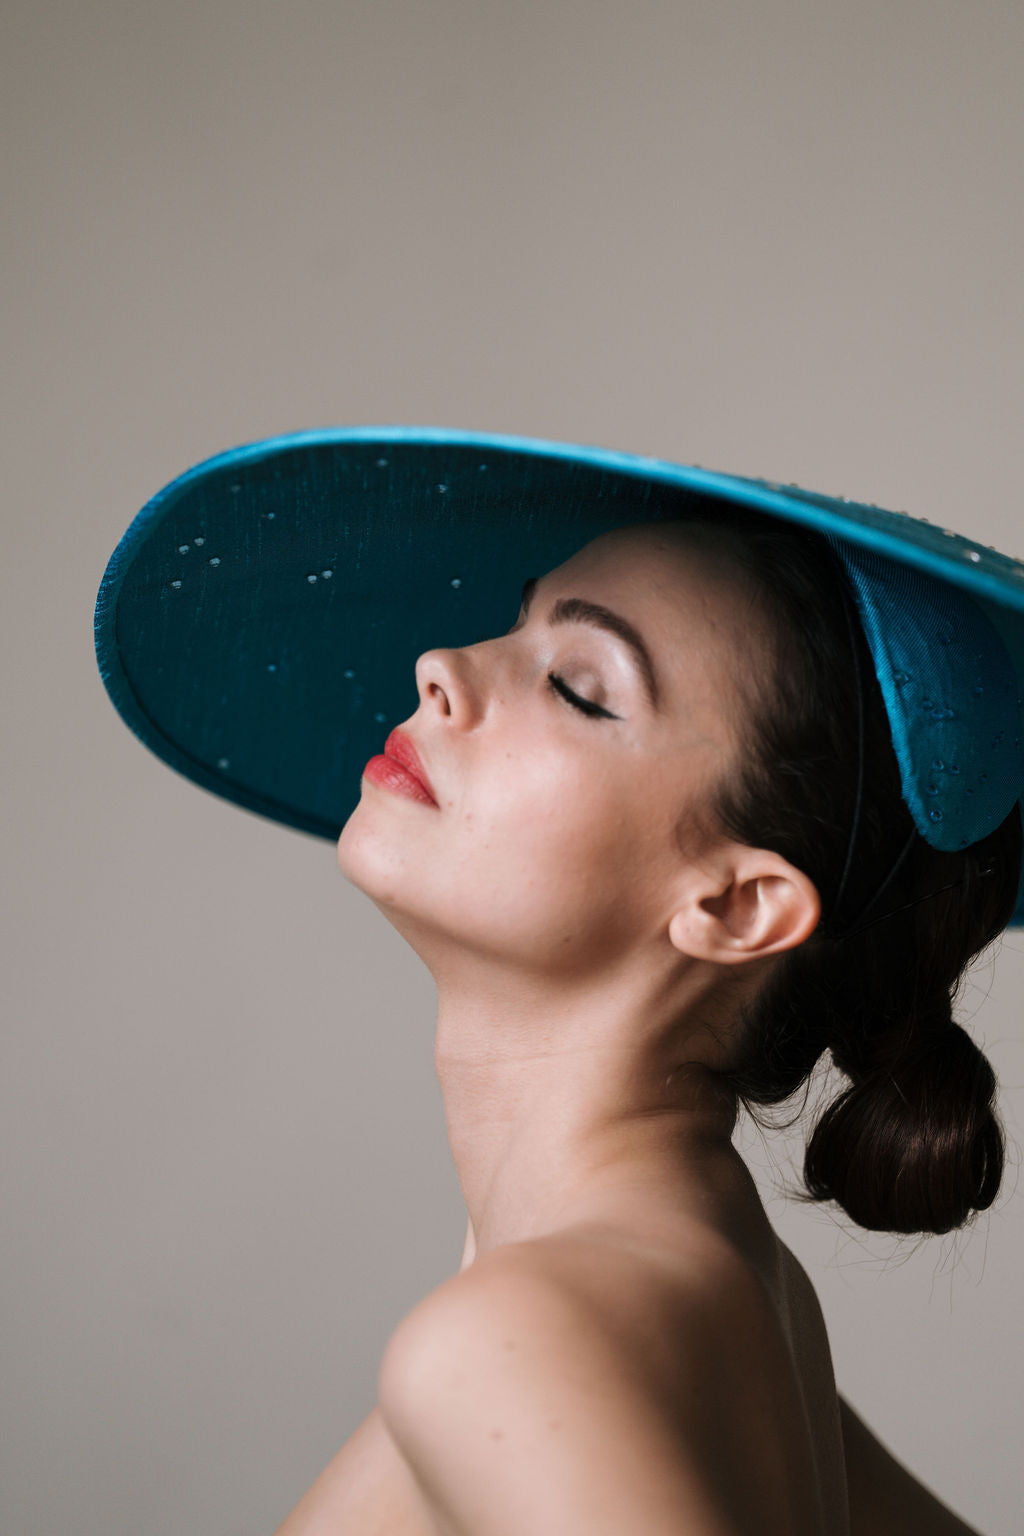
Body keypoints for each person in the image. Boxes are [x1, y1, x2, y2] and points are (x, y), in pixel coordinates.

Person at [95, 429, 1024, 1535]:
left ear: (736, 906)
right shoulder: (715, 1295)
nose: (443, 665)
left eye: (579, 689)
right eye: (517, 617)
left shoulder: (519, 1340)